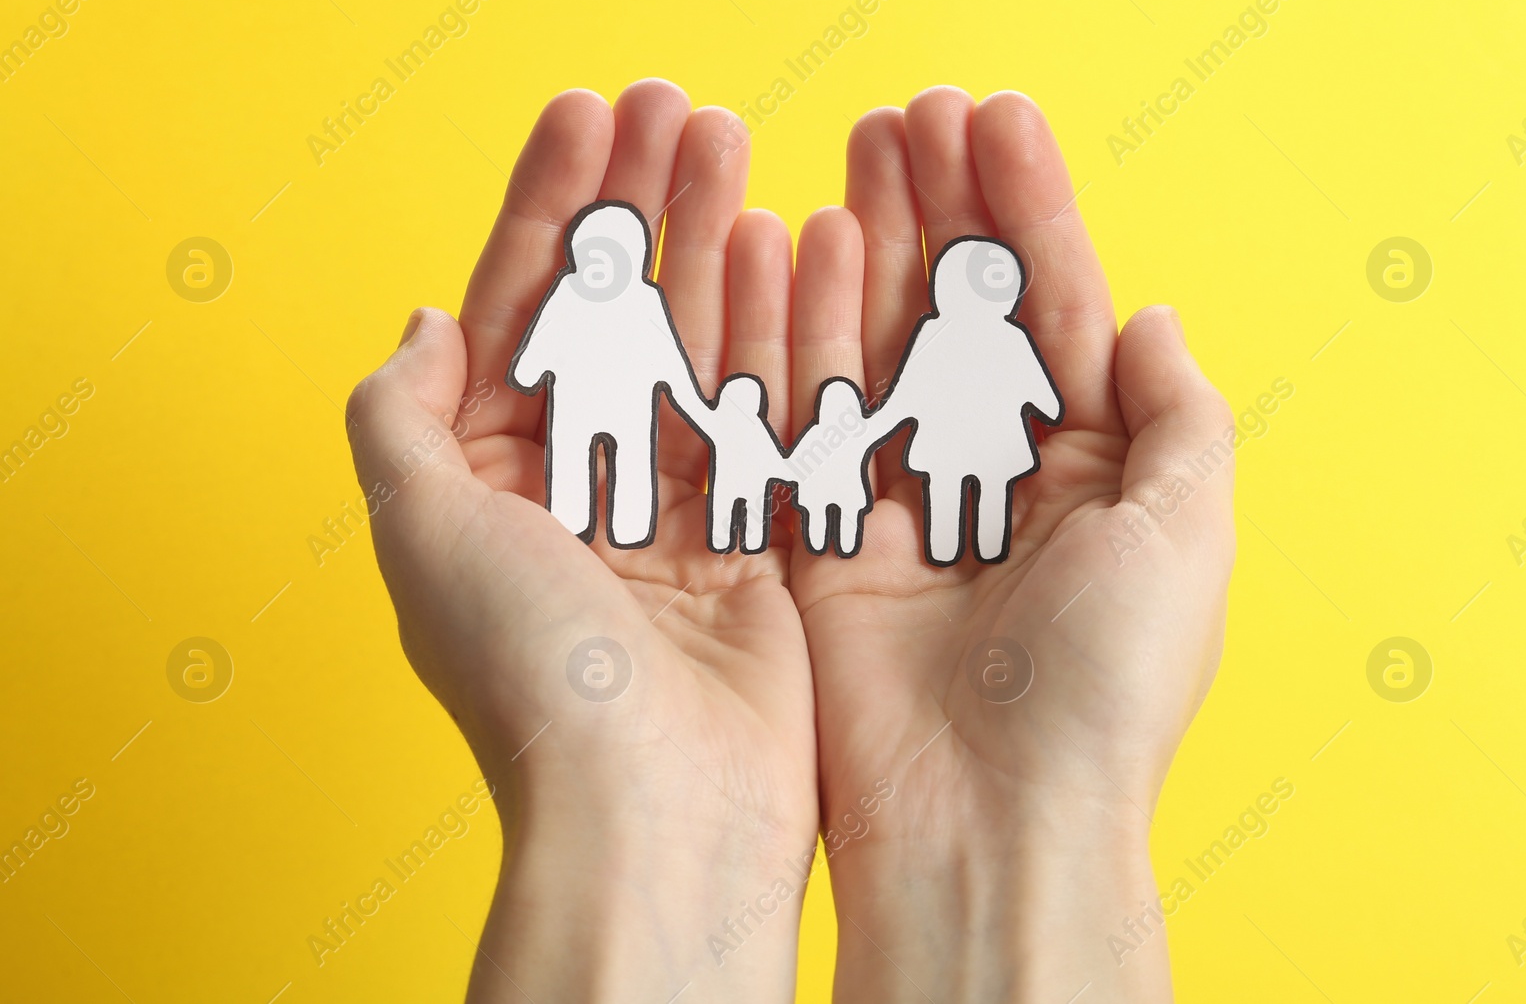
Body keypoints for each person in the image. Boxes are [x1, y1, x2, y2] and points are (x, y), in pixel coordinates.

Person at [345, 79, 1236, 1003]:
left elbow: (688, 385)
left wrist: (835, 435)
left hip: (959, 449)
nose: (607, 266)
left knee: (961, 499)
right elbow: (613, 377)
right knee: (579, 469)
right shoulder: (574, 301)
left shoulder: (965, 343)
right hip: (610, 430)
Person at [506, 200, 711, 548]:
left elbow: (668, 354)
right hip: (578, 401)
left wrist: (692, 402)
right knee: (576, 457)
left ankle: (628, 528)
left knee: (631, 462)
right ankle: (570, 522)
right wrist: (526, 371)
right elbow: (544, 335)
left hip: (621, 404)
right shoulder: (569, 292)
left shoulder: (645, 299)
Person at [875, 237, 1062, 564]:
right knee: (992, 490)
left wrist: (869, 429)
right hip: (997, 443)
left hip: (944, 443)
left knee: (946, 490)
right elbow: (1049, 406)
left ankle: (945, 549)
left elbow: (904, 395)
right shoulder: (1011, 337)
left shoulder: (933, 333)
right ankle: (987, 549)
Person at [789, 377, 898, 557]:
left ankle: (824, 544)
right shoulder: (858, 432)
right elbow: (883, 428)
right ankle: (838, 545)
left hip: (821, 491)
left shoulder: (816, 432)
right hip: (845, 490)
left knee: (820, 515)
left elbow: (797, 459)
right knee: (837, 516)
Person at [694, 373, 792, 553]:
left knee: (732, 511)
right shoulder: (741, 426)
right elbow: (774, 457)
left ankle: (729, 541)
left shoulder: (744, 426)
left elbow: (772, 456)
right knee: (738, 511)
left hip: (737, 484)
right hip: (743, 484)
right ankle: (730, 541)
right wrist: (790, 475)